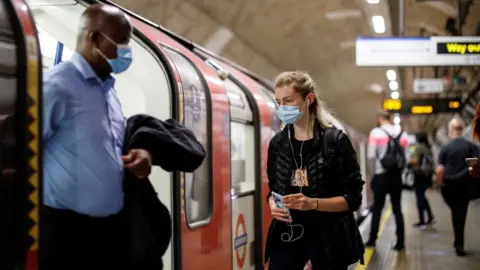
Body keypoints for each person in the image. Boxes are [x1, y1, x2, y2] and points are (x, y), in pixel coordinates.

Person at [40, 4, 150, 269]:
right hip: (65, 233)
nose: (127, 51)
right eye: (122, 42)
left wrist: (139, 157)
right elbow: (23, 147)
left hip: (107, 231)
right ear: (94, 38)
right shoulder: (55, 87)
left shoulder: (108, 92)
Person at [264, 71, 365, 270]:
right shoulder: (278, 143)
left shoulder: (335, 142)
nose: (282, 108)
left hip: (328, 242)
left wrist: (313, 204)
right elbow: (273, 188)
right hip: (287, 237)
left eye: (289, 100)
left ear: (308, 99)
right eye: (278, 102)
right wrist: (272, 204)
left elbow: (353, 199)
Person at [365, 111, 409, 250]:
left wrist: (374, 173)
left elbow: (371, 156)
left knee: (377, 208)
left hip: (381, 175)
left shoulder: (376, 132)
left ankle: (372, 240)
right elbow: (406, 158)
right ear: (390, 119)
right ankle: (400, 242)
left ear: (379, 119)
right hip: (396, 176)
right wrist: (400, 173)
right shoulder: (402, 133)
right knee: (397, 208)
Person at [436, 118, 478, 256]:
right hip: (464, 186)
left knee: (455, 212)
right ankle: (459, 243)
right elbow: (475, 167)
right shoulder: (472, 147)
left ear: (450, 130)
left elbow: (439, 170)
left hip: (449, 187)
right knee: (461, 213)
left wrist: (440, 183)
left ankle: (458, 242)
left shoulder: (445, 148)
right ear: (461, 129)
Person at [408, 132, 435, 229]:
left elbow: (415, 161)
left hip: (419, 174)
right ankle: (430, 217)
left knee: (419, 197)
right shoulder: (428, 147)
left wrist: (409, 160)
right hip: (427, 175)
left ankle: (422, 221)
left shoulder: (419, 147)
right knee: (422, 196)